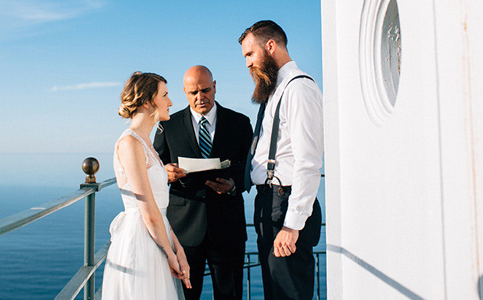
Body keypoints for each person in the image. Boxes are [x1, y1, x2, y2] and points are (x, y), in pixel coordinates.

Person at [238, 21, 323, 299]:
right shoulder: (275, 90)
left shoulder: (298, 88)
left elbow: (308, 162)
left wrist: (292, 225)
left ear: (270, 46)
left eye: (250, 54)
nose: (248, 64)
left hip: (285, 206)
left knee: (290, 294)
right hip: (269, 204)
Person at [153, 65, 253, 299]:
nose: (200, 97)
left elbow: (251, 167)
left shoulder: (239, 123)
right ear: (184, 92)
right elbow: (156, 163)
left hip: (228, 226)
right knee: (184, 296)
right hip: (183, 230)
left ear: (215, 87)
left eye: (205, 90)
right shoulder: (168, 125)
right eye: (193, 93)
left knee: (230, 294)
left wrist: (235, 185)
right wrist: (165, 173)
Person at [102, 72, 192, 299]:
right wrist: (170, 254)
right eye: (165, 95)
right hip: (140, 242)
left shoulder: (147, 145)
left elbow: (158, 209)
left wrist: (177, 247)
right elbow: (148, 209)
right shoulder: (130, 143)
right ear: (147, 101)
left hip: (157, 240)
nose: (170, 102)